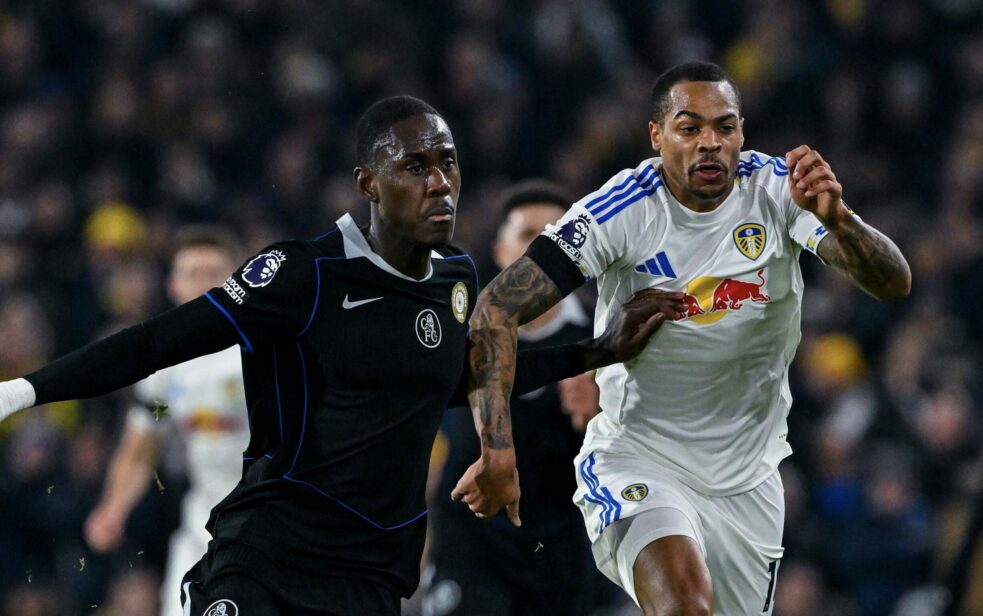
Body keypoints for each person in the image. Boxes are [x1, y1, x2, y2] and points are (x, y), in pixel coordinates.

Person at [0, 96, 689, 615]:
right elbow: (155, 343)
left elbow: (461, 376)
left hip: (370, 578)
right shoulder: (305, 274)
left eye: (447, 163)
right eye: (415, 166)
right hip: (268, 560)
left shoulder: (455, 279)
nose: (440, 183)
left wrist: (597, 350)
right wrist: (22, 391)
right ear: (368, 183)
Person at [452, 62, 912, 615]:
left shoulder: (779, 189)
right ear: (657, 135)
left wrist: (841, 222)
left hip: (747, 481)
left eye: (725, 127)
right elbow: (495, 309)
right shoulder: (623, 209)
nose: (709, 143)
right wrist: (497, 451)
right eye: (689, 128)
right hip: (639, 459)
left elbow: (893, 283)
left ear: (741, 132)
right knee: (684, 607)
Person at [424, 180, 612, 616]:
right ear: (499, 250)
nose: (540, 252)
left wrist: (598, 422)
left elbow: (638, 466)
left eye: (555, 237)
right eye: (528, 236)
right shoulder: (454, 331)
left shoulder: (605, 340)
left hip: (558, 551)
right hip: (469, 547)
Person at [83, 226, 247, 616]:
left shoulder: (270, 352)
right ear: (173, 285)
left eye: (215, 273)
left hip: (278, 524)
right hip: (206, 525)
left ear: (239, 282)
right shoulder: (166, 372)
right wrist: (113, 507)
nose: (205, 284)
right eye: (193, 273)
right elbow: (141, 448)